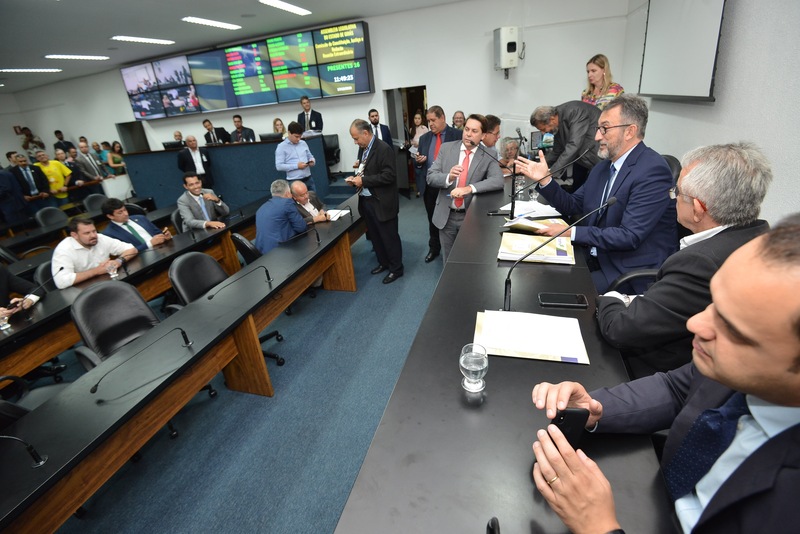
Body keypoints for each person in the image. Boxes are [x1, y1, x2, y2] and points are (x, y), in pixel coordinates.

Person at [530, 216, 800, 534]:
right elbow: (676, 388)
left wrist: (598, 528)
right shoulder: (737, 368)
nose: (696, 324)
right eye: (713, 304)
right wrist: (595, 407)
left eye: (732, 328)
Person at [596, 142, 772, 378]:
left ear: (698, 208)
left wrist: (610, 298)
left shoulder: (700, 263)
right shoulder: (761, 236)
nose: (673, 198)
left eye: (677, 192)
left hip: (655, 373)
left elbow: (620, 329)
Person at [517, 94, 677, 294]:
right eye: (598, 128)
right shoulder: (602, 168)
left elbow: (629, 236)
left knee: (558, 291)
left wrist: (572, 232)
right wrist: (545, 180)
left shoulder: (653, 170)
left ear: (630, 131)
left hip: (626, 270)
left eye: (605, 129)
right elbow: (572, 205)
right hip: (595, 256)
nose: (597, 137)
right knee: (538, 275)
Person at [427, 113, 504, 262]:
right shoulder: (446, 148)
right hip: (446, 216)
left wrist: (469, 188)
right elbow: (430, 177)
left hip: (471, 217)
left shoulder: (489, 154)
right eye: (466, 129)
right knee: (448, 261)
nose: (468, 134)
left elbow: (497, 180)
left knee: (469, 261)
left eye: (474, 131)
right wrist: (448, 177)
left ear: (483, 135)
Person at [347, 119, 404, 284]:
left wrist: (363, 181)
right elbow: (366, 170)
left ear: (365, 133)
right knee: (376, 237)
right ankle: (383, 263)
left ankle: (396, 269)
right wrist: (356, 178)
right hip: (366, 200)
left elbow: (389, 176)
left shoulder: (384, 148)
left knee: (389, 237)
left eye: (356, 138)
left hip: (382, 202)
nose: (355, 142)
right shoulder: (363, 148)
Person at [415, 105, 463, 263]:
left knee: (450, 218)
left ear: (442, 117)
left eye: (433, 120)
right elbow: (418, 165)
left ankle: (455, 249)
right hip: (430, 186)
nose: (431, 124)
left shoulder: (457, 135)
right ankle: (434, 248)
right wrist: (419, 162)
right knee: (433, 219)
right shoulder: (424, 138)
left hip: (451, 186)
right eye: (428, 121)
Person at [530, 101, 602, 190]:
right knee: (579, 191)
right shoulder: (556, 124)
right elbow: (556, 151)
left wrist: (551, 173)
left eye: (544, 129)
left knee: (595, 191)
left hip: (597, 157)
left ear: (552, 119)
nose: (543, 133)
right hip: (583, 161)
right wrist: (537, 167)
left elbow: (574, 145)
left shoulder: (574, 111)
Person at [52, 217, 138, 289]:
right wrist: (96, 271)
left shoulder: (100, 238)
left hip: (108, 282)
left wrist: (118, 261)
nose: (93, 235)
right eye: (87, 233)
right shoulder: (64, 250)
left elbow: (132, 249)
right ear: (75, 235)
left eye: (94, 231)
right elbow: (61, 281)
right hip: (84, 290)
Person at [254, 179, 309, 255]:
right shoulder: (287, 203)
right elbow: (301, 227)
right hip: (279, 253)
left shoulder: (260, 209)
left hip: (261, 253)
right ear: (288, 193)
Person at [101, 198, 172, 252]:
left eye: (125, 210)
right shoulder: (109, 234)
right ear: (110, 216)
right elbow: (127, 253)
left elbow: (158, 233)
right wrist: (150, 243)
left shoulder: (140, 218)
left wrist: (165, 236)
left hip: (162, 249)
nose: (126, 214)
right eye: (120, 212)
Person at [275, 121, 317, 192]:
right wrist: (297, 166)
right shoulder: (281, 147)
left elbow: (310, 156)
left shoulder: (303, 143)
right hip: (294, 182)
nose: (298, 139)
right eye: (296, 136)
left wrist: (312, 161)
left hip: (308, 179)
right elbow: (279, 166)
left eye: (300, 136)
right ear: (289, 133)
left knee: (313, 198)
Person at [408, 112, 429, 197]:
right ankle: (419, 190)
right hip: (414, 153)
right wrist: (412, 143)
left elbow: (427, 141)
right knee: (416, 173)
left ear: (421, 120)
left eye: (418, 118)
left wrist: (419, 144)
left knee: (423, 172)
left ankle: (424, 189)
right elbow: (410, 141)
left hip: (422, 153)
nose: (417, 120)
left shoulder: (424, 128)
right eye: (415, 118)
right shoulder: (411, 129)